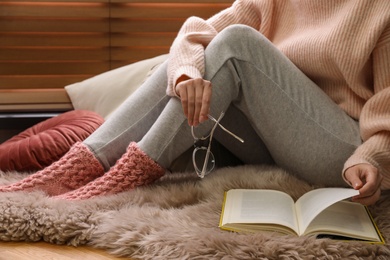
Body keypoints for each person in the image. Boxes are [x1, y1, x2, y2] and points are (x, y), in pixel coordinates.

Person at [0, 0, 389, 205]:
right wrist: (186, 75)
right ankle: (76, 166)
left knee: (236, 43)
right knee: (192, 65)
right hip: (275, 141)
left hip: (341, 150)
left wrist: (370, 157)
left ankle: (124, 177)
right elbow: (194, 33)